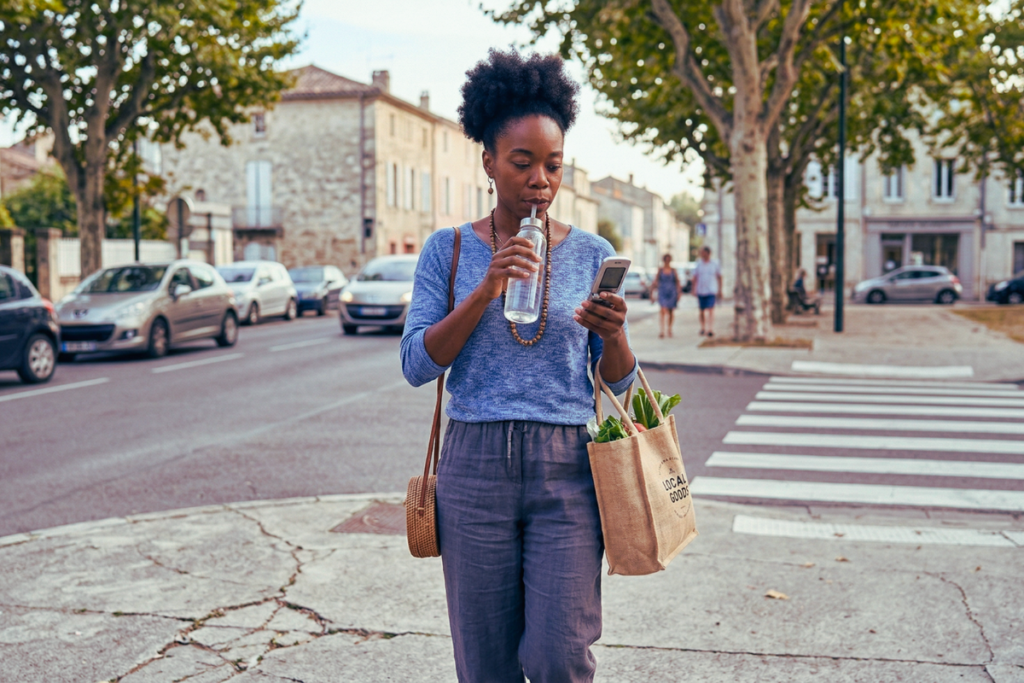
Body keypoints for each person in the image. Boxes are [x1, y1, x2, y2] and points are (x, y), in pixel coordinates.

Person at [400, 48, 637, 683]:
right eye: (523, 162)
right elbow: (416, 364)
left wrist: (613, 336)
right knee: (487, 665)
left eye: (553, 165)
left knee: (560, 655)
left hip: (568, 470)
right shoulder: (447, 251)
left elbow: (619, 382)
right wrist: (484, 291)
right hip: (474, 467)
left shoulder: (592, 253)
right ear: (489, 162)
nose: (540, 179)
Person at [691, 245, 722, 336]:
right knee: (701, 310)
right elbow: (694, 277)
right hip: (701, 290)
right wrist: (693, 289)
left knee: (711, 309)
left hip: (711, 289)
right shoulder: (698, 264)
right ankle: (703, 327)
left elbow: (719, 277)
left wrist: (720, 290)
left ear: (708, 253)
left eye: (703, 253)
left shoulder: (715, 263)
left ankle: (710, 329)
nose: (702, 254)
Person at [652, 253, 681, 338]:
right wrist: (652, 292)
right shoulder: (660, 270)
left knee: (671, 311)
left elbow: (677, 282)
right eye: (666, 259)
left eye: (668, 259)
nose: (667, 261)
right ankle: (662, 330)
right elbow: (656, 281)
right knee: (663, 310)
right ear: (664, 260)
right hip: (662, 291)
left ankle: (669, 329)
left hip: (672, 292)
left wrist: (679, 293)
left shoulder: (673, 270)